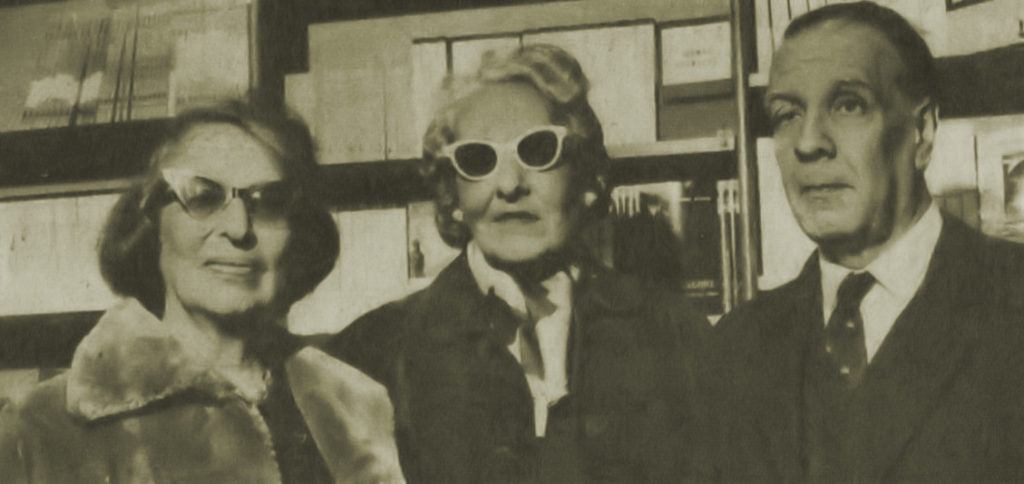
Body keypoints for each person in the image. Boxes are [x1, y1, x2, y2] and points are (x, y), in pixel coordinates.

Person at [322, 44, 711, 483]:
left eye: (538, 150)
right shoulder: (370, 354)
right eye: (478, 159)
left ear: (586, 179)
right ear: (453, 197)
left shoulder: (679, 337)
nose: (509, 185)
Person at [0, 100, 402, 483]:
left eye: (269, 203)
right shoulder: (38, 430)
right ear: (152, 223)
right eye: (204, 197)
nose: (239, 228)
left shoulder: (355, 405)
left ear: (298, 236)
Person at [710, 2, 1024, 482]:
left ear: (922, 132)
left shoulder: (1012, 297)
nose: (808, 143)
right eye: (787, 114)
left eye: (848, 105)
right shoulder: (737, 346)